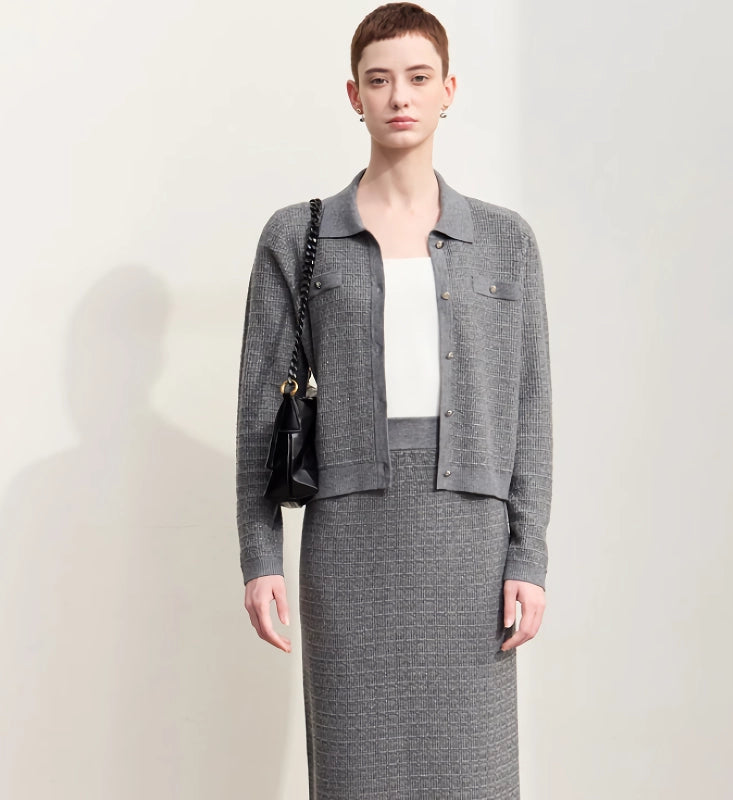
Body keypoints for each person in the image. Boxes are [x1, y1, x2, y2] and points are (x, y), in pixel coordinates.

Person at [235, 3, 553, 797]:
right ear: (354, 95)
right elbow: (258, 412)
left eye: (417, 77)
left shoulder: (507, 241)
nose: (399, 96)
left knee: (472, 774)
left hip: (471, 548)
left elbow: (530, 407)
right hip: (348, 543)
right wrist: (260, 556)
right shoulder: (297, 237)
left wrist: (529, 556)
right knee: (355, 773)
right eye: (379, 80)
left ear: (449, 90)